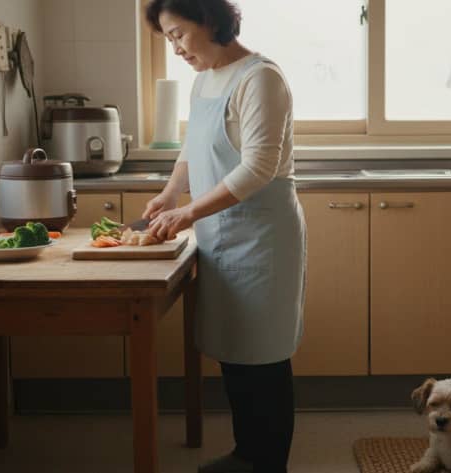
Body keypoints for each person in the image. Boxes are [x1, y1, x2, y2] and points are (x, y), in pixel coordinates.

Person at [143, 1, 306, 472]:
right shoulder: (204, 79)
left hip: (262, 240)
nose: (175, 49)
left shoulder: (260, 78)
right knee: (236, 353)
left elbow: (259, 165)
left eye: (178, 34)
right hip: (221, 235)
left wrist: (191, 210)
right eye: (168, 39)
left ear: (210, 20)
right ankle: (246, 453)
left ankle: (268, 462)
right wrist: (171, 194)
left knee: (265, 358)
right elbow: (193, 151)